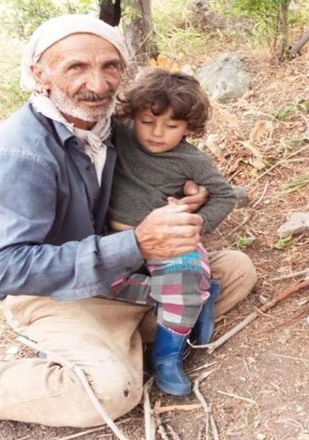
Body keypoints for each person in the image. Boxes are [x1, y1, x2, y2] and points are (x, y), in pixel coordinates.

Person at [0, 14, 257, 438]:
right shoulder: (20, 153)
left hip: (123, 277)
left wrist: (192, 195)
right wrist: (135, 243)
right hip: (57, 294)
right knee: (110, 393)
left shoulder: (112, 127)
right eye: (76, 67)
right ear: (39, 73)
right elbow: (6, 270)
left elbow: (169, 159)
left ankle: (127, 341)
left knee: (235, 269)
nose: (96, 83)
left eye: (109, 66)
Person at [107, 68, 236, 396]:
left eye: (172, 126)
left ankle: (167, 358)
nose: (157, 133)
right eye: (147, 122)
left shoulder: (193, 161)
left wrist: (200, 222)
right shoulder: (119, 133)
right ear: (133, 114)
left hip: (170, 237)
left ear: (189, 127)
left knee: (183, 275)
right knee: (101, 281)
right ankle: (196, 297)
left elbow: (225, 194)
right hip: (120, 242)